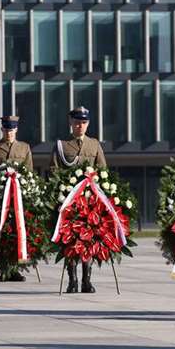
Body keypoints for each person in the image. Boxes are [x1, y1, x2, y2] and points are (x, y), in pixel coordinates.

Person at [50, 106, 107, 293]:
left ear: (88, 124)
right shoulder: (62, 145)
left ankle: (86, 280)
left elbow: (103, 170)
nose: (79, 126)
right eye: (76, 123)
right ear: (70, 123)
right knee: (70, 241)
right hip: (70, 201)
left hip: (90, 202)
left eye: (83, 123)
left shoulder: (94, 144)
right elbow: (54, 171)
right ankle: (72, 279)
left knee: (88, 241)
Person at [0, 115, 34, 282]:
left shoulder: (24, 148)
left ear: (16, 130)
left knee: (18, 231)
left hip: (19, 197)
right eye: (6, 130)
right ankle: (4, 269)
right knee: (2, 233)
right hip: (1, 197)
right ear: (2, 129)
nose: (9, 133)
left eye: (11, 130)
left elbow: (29, 172)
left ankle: (16, 269)